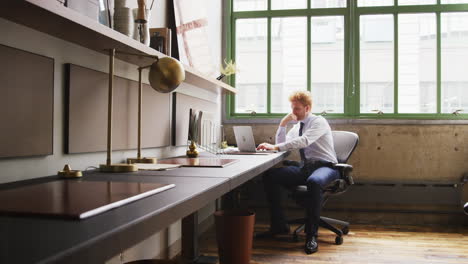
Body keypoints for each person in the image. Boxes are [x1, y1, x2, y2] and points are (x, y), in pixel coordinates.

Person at [256, 90, 338, 254]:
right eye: (292, 108)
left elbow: (304, 141)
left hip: (326, 167)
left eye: (297, 109)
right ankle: (279, 226)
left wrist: (276, 146)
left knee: (314, 182)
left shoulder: (318, 122)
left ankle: (311, 236)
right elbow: (282, 143)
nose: (293, 112)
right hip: (306, 168)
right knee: (271, 176)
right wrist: (283, 123)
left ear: (307, 108)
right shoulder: (298, 126)